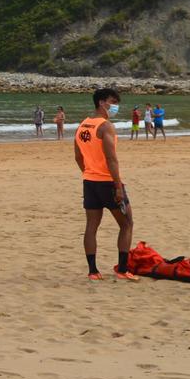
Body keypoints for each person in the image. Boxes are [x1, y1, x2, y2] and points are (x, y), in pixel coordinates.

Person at [73, 86, 135, 280]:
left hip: (89, 182)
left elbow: (78, 156)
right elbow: (111, 159)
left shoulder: (82, 124)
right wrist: (117, 186)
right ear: (101, 102)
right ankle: (123, 269)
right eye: (113, 102)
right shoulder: (105, 126)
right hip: (107, 182)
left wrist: (88, 173)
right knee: (127, 224)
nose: (115, 107)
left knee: (91, 225)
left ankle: (93, 271)